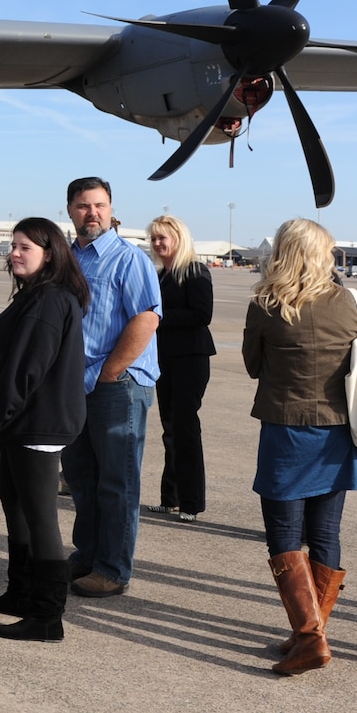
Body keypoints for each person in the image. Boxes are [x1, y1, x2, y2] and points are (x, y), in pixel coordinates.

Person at [243, 218, 357, 676]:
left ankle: (310, 636)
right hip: (337, 431)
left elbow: (253, 365)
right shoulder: (349, 302)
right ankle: (309, 632)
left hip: (286, 430)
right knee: (326, 533)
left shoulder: (266, 304)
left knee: (284, 535)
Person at [0, 218, 88, 642]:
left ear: (49, 253)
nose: (15, 253)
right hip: (20, 425)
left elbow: (26, 369)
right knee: (16, 508)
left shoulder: (48, 300)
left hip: (35, 425)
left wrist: (1, 414)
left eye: (25, 246)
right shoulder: (35, 296)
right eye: (13, 245)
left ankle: (47, 615)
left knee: (41, 520)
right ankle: (21, 591)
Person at [60, 177, 161, 598]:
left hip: (118, 385)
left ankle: (113, 568)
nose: (93, 214)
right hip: (74, 385)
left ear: (111, 207)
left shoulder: (127, 259)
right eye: (84, 206)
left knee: (116, 480)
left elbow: (146, 319)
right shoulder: (66, 260)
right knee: (81, 475)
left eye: (99, 205)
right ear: (70, 210)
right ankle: (87, 553)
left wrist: (110, 371)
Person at [149, 214, 215, 521]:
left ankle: (191, 503)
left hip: (191, 357)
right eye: (154, 238)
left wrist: (159, 318)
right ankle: (170, 497)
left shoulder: (195, 271)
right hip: (166, 359)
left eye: (163, 237)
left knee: (186, 428)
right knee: (170, 429)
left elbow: (202, 314)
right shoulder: (161, 273)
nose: (158, 243)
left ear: (179, 239)